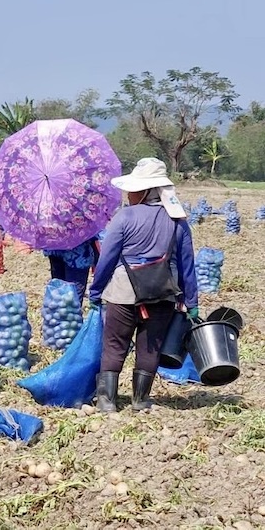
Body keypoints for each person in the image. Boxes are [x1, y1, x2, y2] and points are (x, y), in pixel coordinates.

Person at [88, 158, 198, 413]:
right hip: (163, 293)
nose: (129, 193)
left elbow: (107, 258)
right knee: (151, 345)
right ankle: (140, 400)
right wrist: (191, 302)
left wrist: (96, 291)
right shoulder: (178, 221)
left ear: (147, 190)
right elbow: (187, 265)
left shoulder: (124, 217)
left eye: (133, 188)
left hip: (123, 292)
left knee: (115, 344)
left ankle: (107, 401)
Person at [42, 237, 100, 304]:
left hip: (55, 246)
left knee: (59, 295)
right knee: (72, 299)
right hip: (77, 254)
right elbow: (92, 232)